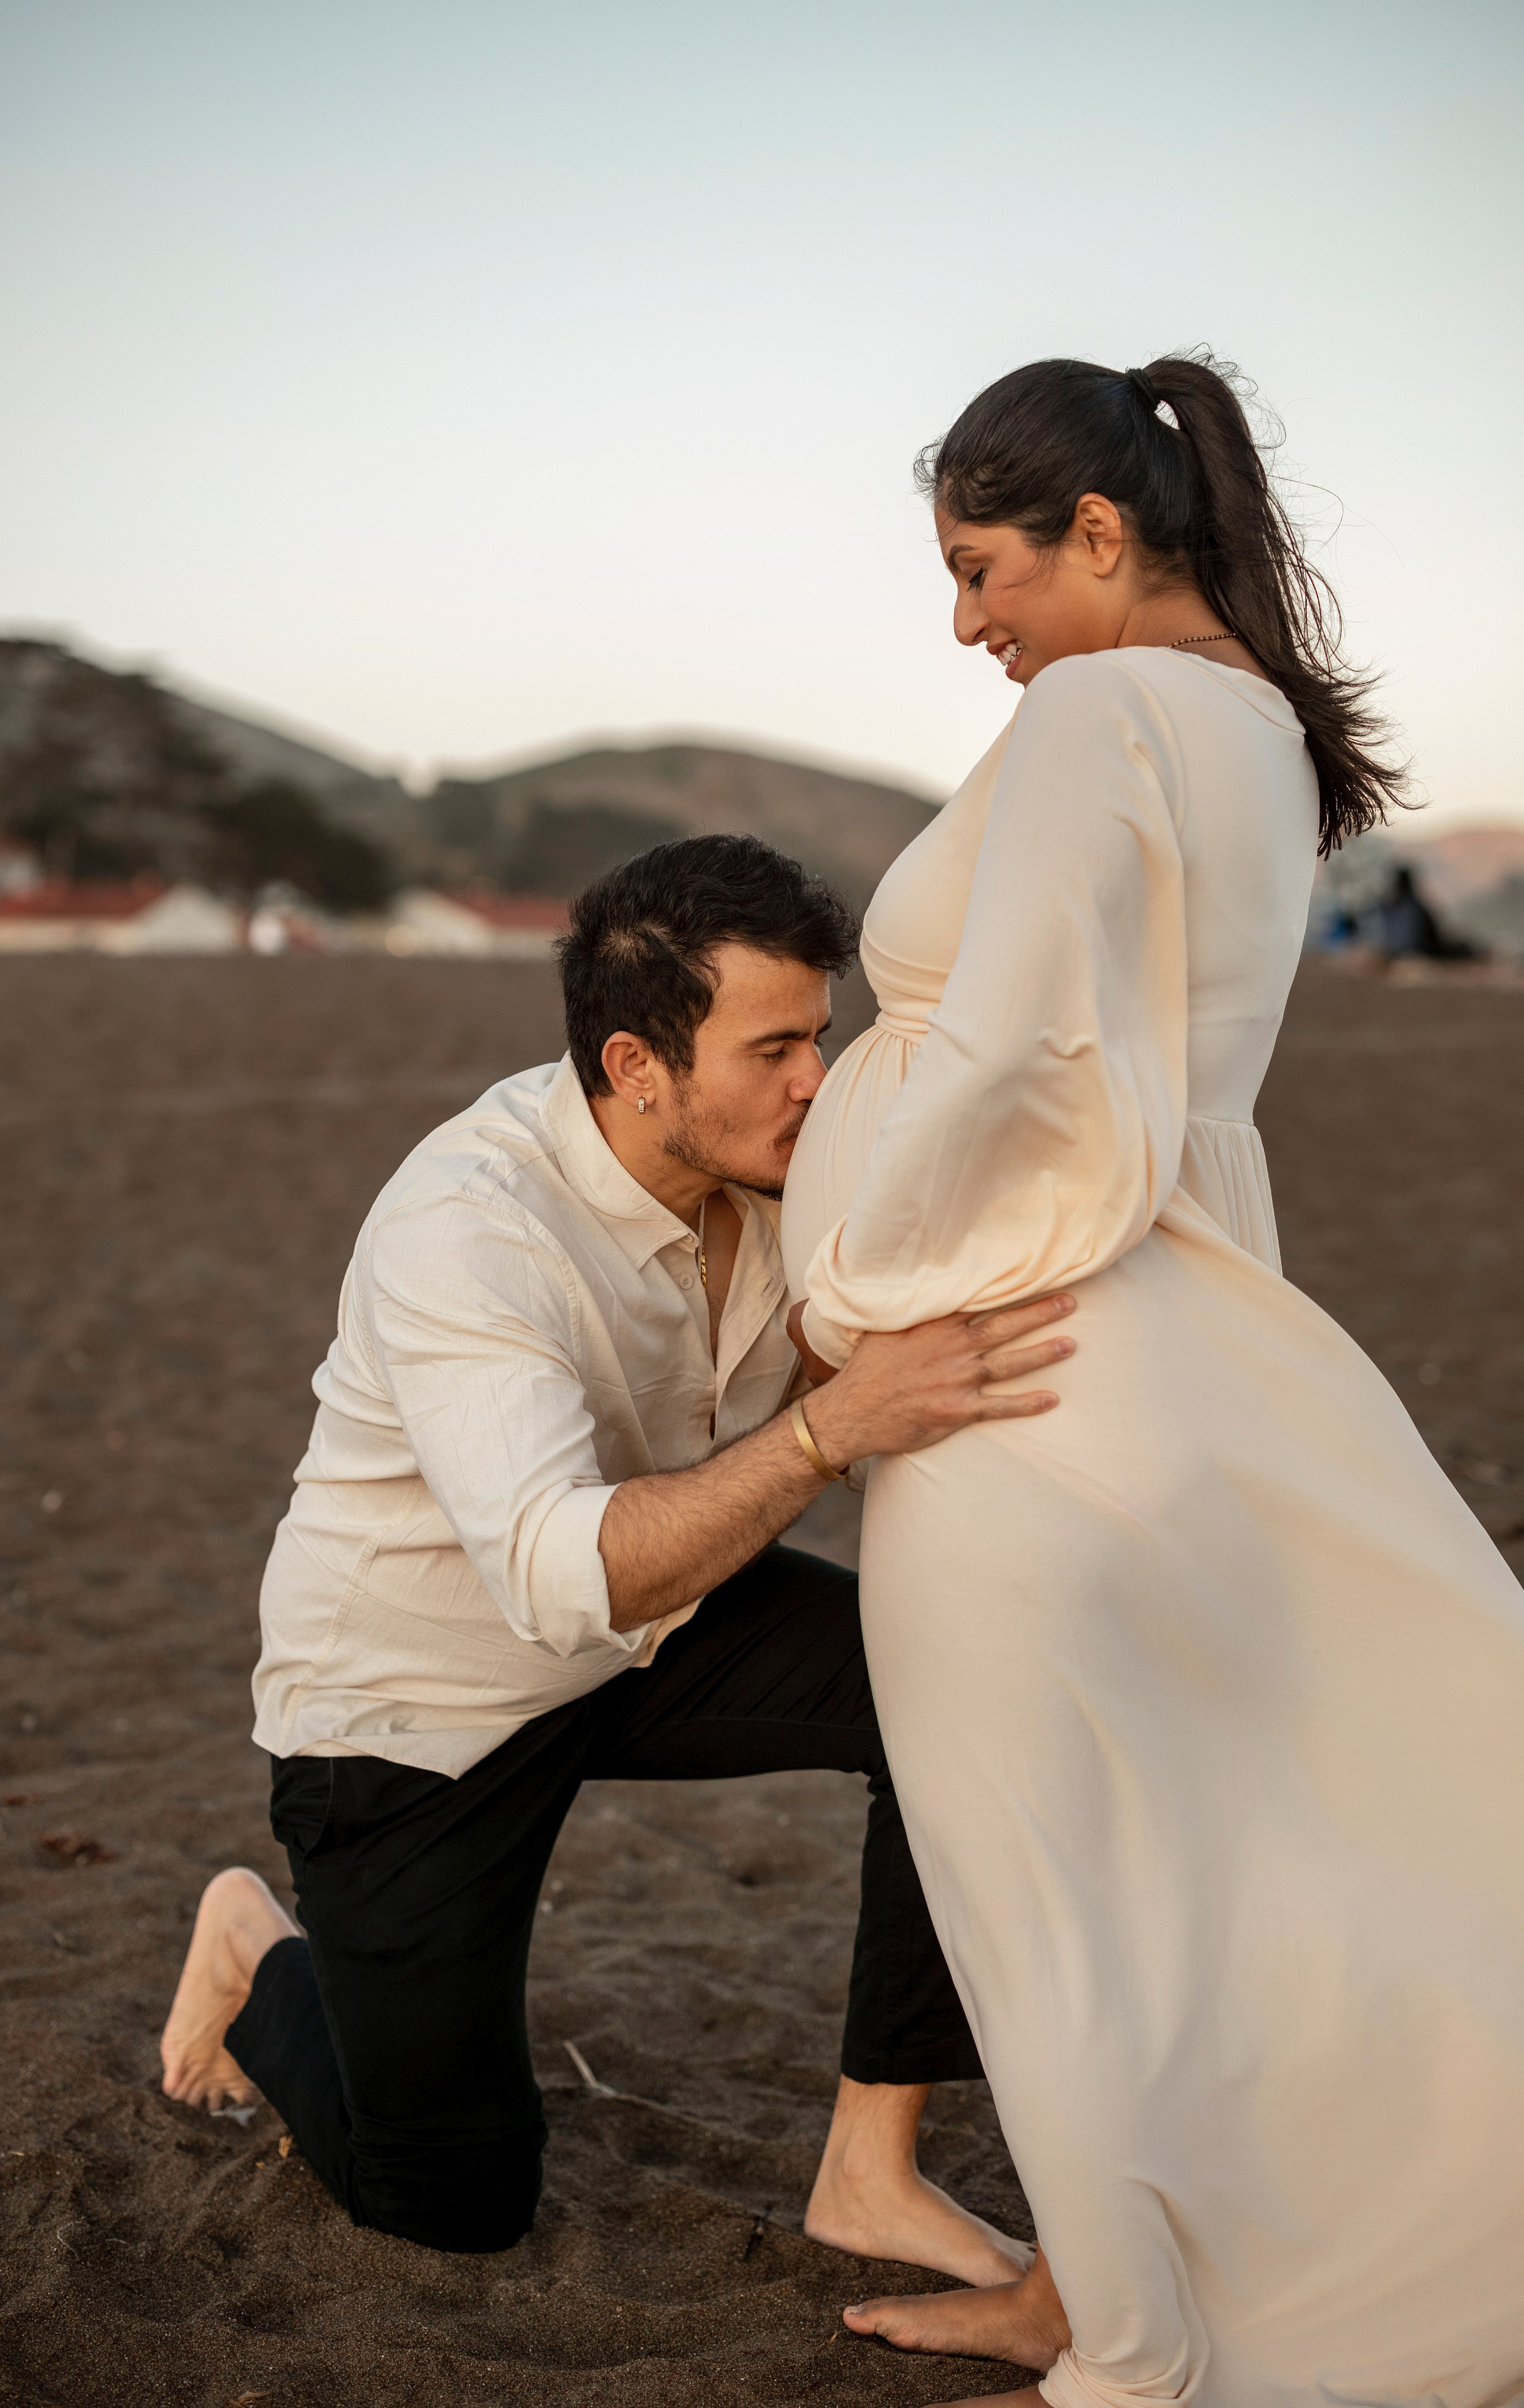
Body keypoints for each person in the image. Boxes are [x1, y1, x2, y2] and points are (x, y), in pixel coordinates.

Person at [779, 354, 1524, 2406]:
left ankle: (1133, 2327)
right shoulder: (1260, 734)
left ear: (1101, 533)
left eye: (979, 565)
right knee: (1146, 1856)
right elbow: (1172, 1097)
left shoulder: (1106, 711)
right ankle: (1089, 2276)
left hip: (1027, 1367)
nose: (966, 623)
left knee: (1051, 1878)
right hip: (1156, 1330)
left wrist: (855, 1282)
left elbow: (1023, 1051)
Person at [159, 832, 1080, 2276]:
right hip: (417, 1710)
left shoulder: (793, 1166)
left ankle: (869, 2170)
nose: (813, 1083)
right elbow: (557, 1575)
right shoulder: (468, 1228)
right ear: (637, 1067)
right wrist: (836, 1426)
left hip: (655, 1621)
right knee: (452, 2203)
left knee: (968, 1683)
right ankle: (258, 1956)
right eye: (772, 1047)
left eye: (818, 1038)